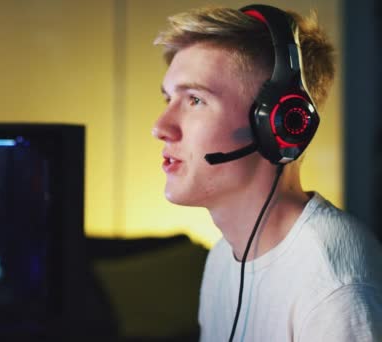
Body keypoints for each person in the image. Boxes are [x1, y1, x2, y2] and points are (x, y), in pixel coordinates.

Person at [151, 4, 382, 341]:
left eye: (195, 100)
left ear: (277, 123)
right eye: (168, 99)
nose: (160, 127)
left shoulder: (336, 289)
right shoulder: (222, 259)